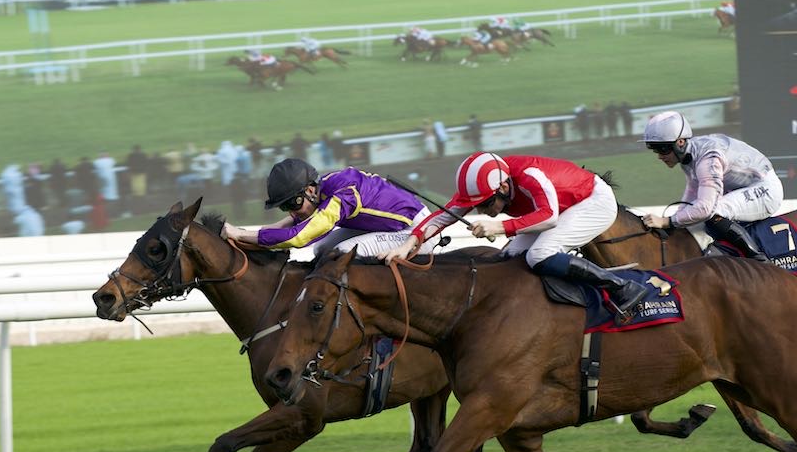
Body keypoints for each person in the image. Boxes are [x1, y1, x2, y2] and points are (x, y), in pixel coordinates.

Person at [379, 152, 651, 321]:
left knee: (539, 255)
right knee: (508, 257)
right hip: (561, 208)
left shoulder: (529, 176)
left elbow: (548, 217)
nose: (483, 210)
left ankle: (622, 288)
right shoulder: (488, 184)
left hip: (592, 202)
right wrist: (408, 244)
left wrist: (498, 228)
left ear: (504, 186)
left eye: (486, 204)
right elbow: (443, 216)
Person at [639, 110, 781, 261]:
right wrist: (673, 223)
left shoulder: (708, 158)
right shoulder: (689, 156)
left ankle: (759, 261)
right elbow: (692, 193)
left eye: (663, 149)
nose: (660, 156)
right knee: (696, 215)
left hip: (766, 190)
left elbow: (706, 208)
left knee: (714, 212)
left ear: (680, 142)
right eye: (655, 149)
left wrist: (668, 221)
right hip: (744, 188)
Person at [220, 158, 436, 258]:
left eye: (293, 203)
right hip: (384, 228)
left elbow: (298, 237)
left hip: (415, 232)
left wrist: (238, 233)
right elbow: (285, 227)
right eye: (284, 206)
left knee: (341, 255)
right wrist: (241, 235)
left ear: (311, 190)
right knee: (322, 251)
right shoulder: (320, 191)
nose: (292, 212)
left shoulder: (342, 194)